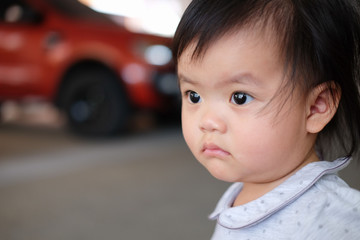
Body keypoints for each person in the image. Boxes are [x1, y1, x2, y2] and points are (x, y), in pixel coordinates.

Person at [172, 0, 360, 239]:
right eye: (194, 96)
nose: (207, 121)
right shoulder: (242, 192)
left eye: (239, 98)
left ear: (315, 107)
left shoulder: (337, 219)